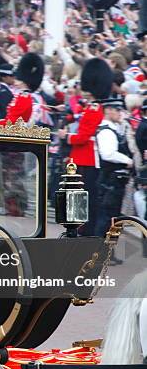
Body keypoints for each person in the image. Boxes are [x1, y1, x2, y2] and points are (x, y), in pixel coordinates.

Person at [58, 58, 113, 236]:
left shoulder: (95, 108)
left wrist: (66, 137)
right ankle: (75, 229)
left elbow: (83, 136)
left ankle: (81, 230)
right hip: (81, 158)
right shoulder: (91, 107)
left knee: (82, 197)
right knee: (76, 195)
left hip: (86, 159)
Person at [94, 98, 134, 238]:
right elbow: (108, 154)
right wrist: (127, 160)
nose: (120, 113)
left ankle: (107, 251)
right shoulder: (106, 131)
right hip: (110, 180)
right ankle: (100, 252)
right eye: (117, 110)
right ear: (108, 110)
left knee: (112, 218)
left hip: (113, 180)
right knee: (107, 217)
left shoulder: (113, 129)